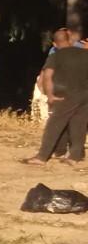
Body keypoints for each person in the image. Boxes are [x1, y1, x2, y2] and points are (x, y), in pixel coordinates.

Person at [27, 26, 88, 165]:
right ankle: (75, 157)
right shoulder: (85, 54)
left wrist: (50, 96)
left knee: (54, 124)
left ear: (54, 44)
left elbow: (48, 77)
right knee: (78, 124)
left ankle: (42, 157)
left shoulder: (56, 56)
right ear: (69, 40)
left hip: (66, 95)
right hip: (85, 94)